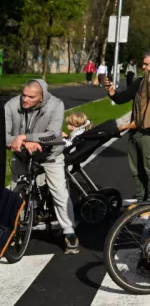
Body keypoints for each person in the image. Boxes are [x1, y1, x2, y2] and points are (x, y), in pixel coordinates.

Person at [4, 79, 78, 254]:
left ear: (41, 97)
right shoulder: (11, 106)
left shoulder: (56, 105)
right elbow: (4, 134)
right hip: (21, 154)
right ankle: (15, 230)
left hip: (51, 155)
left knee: (59, 192)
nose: (25, 100)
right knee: (16, 193)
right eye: (24, 95)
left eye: (31, 97)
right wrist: (22, 144)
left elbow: (53, 135)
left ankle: (70, 233)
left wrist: (25, 137)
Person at [104, 50, 150, 203]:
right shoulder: (141, 82)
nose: (143, 67)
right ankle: (140, 200)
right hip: (134, 132)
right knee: (136, 171)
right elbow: (122, 98)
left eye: (146, 64)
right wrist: (112, 92)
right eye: (143, 64)